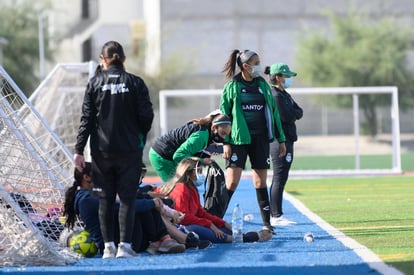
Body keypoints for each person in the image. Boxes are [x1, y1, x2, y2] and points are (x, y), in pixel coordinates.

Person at [73, 41, 154, 258]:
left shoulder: (94, 83)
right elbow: (147, 117)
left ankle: (108, 247)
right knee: (127, 198)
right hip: (129, 150)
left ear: (103, 59)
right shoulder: (136, 82)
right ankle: (124, 247)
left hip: (102, 151)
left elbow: (86, 120)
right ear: (124, 59)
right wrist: (136, 133)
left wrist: (79, 150)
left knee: (105, 199)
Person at [219, 49, 286, 233]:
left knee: (260, 182)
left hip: (261, 140)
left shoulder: (262, 85)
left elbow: (273, 113)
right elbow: (223, 117)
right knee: (232, 182)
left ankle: (267, 224)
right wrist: (225, 142)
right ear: (245, 66)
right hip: (237, 141)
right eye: (255, 63)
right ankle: (215, 220)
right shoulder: (232, 86)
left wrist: (281, 139)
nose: (258, 66)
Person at [62, 162, 186, 257]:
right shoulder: (87, 199)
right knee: (141, 202)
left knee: (141, 199)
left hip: (125, 238)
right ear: (86, 177)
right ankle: (161, 240)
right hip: (116, 245)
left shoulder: (91, 194)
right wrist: (153, 203)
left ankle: (162, 240)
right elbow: (121, 208)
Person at [157, 157, 272, 243]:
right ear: (189, 173)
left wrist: (222, 223)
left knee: (222, 229)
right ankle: (242, 239)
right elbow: (182, 217)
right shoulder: (181, 188)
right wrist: (210, 225)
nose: (201, 174)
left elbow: (199, 212)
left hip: (185, 222)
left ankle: (237, 236)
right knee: (202, 230)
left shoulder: (191, 188)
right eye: (199, 171)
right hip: (175, 226)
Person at [264, 63, 303, 226]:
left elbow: (299, 111)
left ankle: (276, 213)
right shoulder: (276, 95)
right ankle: (276, 215)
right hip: (281, 141)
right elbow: (287, 116)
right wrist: (294, 113)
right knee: (279, 177)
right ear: (278, 77)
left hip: (288, 139)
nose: (288, 79)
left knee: (282, 177)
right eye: (286, 76)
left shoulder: (284, 94)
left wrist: (294, 113)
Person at [149, 112, 232, 182]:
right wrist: (202, 161)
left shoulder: (205, 133)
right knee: (174, 190)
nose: (223, 138)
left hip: (168, 154)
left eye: (226, 135)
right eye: (222, 133)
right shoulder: (201, 137)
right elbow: (178, 156)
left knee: (186, 187)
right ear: (213, 128)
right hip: (161, 156)